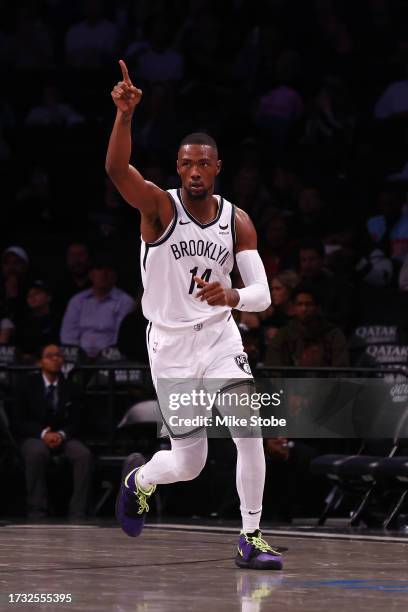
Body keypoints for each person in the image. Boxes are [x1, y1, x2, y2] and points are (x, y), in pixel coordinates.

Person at [105, 59, 283, 570]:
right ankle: (138, 480)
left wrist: (231, 298)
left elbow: (264, 295)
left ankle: (251, 535)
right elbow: (118, 171)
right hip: (170, 344)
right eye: (187, 164)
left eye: (204, 163)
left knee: (250, 427)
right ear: (178, 169)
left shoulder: (237, 221)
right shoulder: (159, 208)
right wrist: (124, 117)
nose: (196, 171)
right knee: (189, 463)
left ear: (217, 168)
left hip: (219, 336)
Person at [13, 343, 93, 519]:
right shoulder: (26, 385)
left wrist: (61, 434)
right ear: (41, 361)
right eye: (50, 356)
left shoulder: (71, 387)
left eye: (59, 355)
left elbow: (78, 421)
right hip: (35, 436)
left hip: (63, 436)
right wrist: (43, 434)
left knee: (82, 454)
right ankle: (37, 509)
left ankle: (78, 510)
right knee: (36, 452)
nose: (56, 359)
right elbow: (19, 420)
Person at [60, 254, 134, 358]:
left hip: (112, 358)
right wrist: (78, 356)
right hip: (79, 358)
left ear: (114, 275)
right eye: (99, 269)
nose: (103, 274)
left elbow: (121, 338)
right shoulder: (77, 300)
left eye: (108, 270)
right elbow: (68, 335)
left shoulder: (125, 301)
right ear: (91, 274)